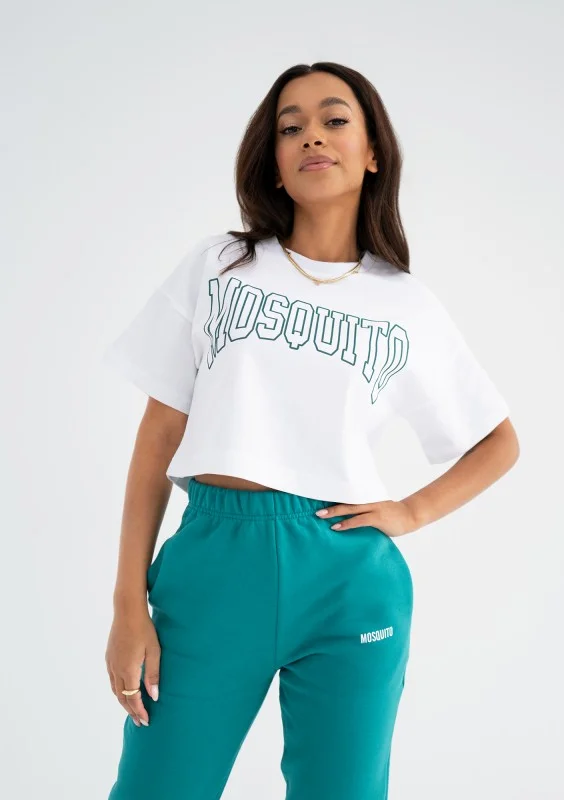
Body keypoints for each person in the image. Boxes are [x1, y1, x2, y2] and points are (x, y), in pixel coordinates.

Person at [102, 61, 519, 800]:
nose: (312, 137)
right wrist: (127, 604)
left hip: (348, 575)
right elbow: (159, 437)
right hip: (213, 563)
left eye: (334, 121)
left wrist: (411, 511)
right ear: (273, 162)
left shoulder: (407, 304)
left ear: (372, 152)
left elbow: (499, 441)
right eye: (290, 128)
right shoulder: (221, 266)